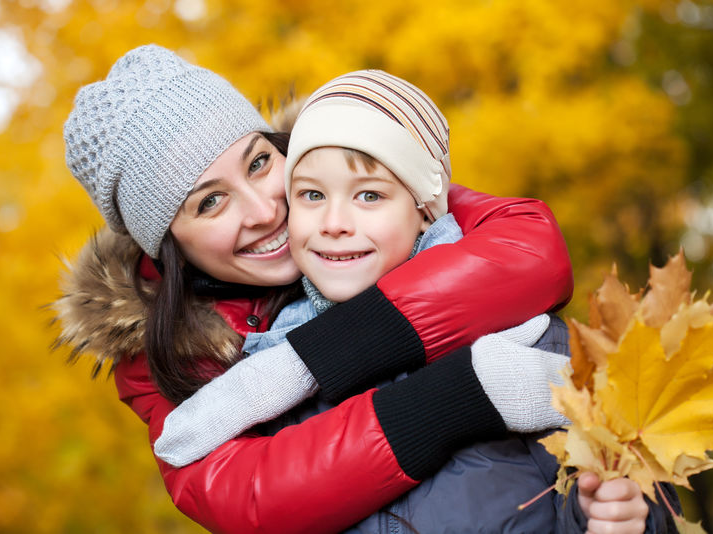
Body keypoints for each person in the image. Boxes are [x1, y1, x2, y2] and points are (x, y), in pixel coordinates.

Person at [51, 44, 596, 533]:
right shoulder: (169, 367)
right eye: (209, 202)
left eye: (260, 163)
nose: (267, 211)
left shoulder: (356, 174)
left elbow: (527, 249)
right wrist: (462, 396)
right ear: (168, 249)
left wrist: (306, 361)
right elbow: (252, 498)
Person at [152, 69, 680, 533]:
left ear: (426, 211)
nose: (334, 223)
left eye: (369, 196)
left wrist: (626, 517)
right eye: (312, 195)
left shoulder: (526, 336)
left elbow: (619, 478)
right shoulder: (259, 395)